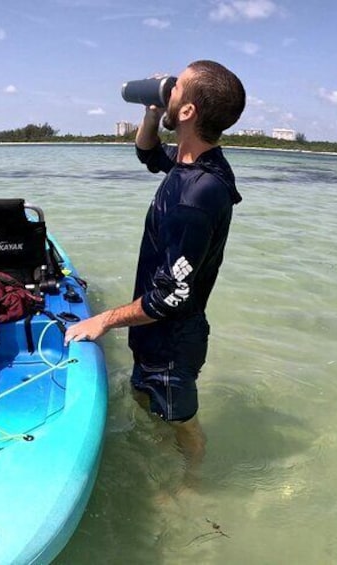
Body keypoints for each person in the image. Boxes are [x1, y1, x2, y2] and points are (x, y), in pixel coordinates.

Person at [65, 60, 246, 478]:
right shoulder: (189, 163)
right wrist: (152, 108)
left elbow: (169, 296)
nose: (168, 86)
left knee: (183, 424)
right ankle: (155, 463)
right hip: (153, 330)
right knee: (146, 402)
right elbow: (147, 152)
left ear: (188, 113)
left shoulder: (197, 195)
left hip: (172, 339)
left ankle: (191, 485)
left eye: (176, 86)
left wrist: (105, 321)